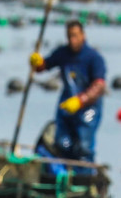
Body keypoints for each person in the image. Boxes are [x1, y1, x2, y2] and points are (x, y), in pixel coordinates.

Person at [30, 19, 107, 161]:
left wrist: (81, 100)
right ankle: (64, 174)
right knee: (62, 144)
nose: (73, 40)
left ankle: (83, 177)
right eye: (70, 36)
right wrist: (38, 63)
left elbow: (99, 86)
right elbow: (44, 66)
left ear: (83, 35)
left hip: (89, 109)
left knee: (83, 146)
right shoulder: (63, 54)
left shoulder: (94, 58)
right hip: (67, 104)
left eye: (76, 36)